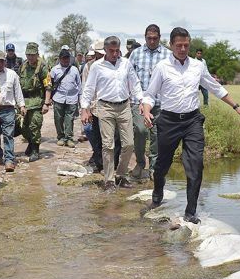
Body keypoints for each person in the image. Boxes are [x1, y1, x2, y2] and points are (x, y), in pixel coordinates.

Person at [142, 27, 240, 224]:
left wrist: (236, 106)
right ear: (171, 45)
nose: (183, 49)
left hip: (192, 121)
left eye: (186, 45)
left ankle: (191, 212)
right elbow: (149, 94)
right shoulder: (162, 67)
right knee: (162, 165)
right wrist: (146, 110)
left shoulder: (198, 66)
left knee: (195, 165)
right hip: (169, 121)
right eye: (179, 45)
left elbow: (215, 87)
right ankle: (157, 197)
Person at [80, 36, 142, 192]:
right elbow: (89, 88)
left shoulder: (126, 64)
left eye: (117, 51)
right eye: (111, 51)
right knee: (108, 145)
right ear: (105, 51)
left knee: (128, 144)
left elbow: (134, 84)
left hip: (124, 106)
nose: (115, 54)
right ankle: (108, 180)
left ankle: (120, 175)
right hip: (105, 107)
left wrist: (142, 101)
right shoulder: (96, 66)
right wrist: (84, 109)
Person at [128, 24, 170, 180]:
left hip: (160, 102)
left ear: (159, 37)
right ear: (144, 37)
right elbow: (130, 78)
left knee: (157, 135)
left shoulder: (168, 54)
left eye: (155, 38)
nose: (152, 41)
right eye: (149, 38)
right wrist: (136, 98)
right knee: (140, 130)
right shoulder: (136, 54)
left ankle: (153, 167)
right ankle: (140, 163)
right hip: (139, 101)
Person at [0, 50, 26, 172]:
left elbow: (17, 91)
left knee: (8, 135)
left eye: (1, 61)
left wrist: (21, 105)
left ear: (4, 61)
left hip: (8, 109)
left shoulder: (12, 74)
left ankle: (9, 160)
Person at [18, 42, 50, 162]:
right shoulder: (23, 66)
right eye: (28, 55)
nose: (30, 57)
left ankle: (35, 150)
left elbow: (48, 86)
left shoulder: (42, 67)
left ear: (37, 54)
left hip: (37, 101)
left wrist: (46, 103)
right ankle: (31, 144)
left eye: (32, 55)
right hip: (24, 101)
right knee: (23, 127)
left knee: (34, 126)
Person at [46, 49, 81, 148]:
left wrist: (80, 97)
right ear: (60, 59)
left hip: (72, 98)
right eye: (64, 58)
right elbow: (49, 84)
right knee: (58, 118)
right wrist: (49, 98)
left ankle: (69, 138)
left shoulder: (74, 70)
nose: (66, 60)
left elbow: (79, 84)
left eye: (67, 58)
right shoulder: (54, 70)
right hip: (58, 98)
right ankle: (60, 137)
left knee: (69, 119)